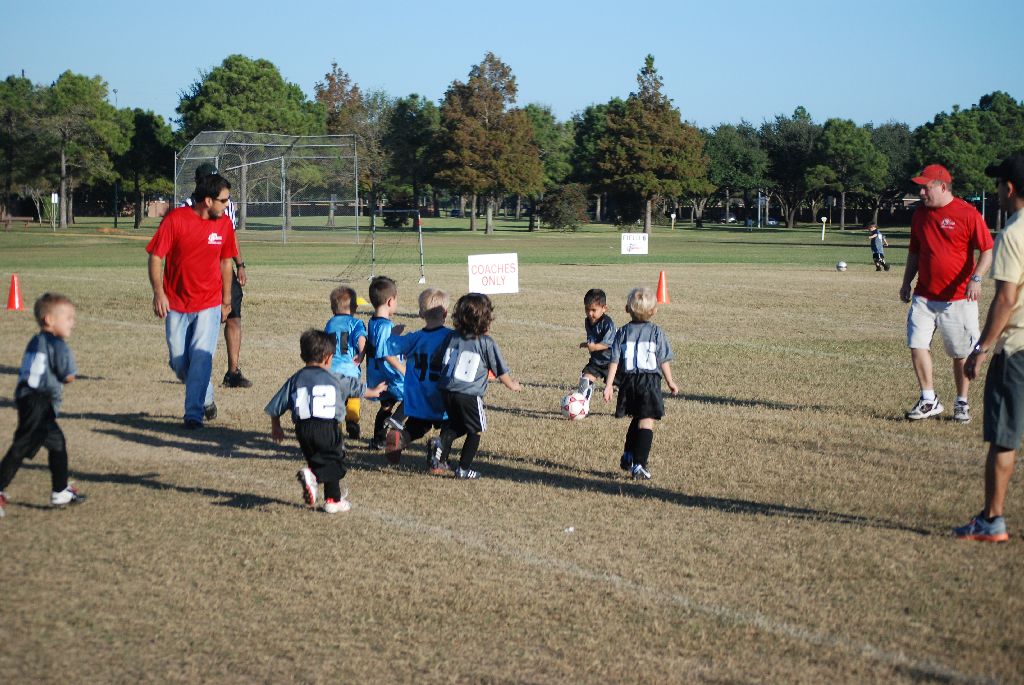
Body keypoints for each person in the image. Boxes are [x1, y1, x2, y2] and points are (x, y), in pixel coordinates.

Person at [954, 154, 1024, 542]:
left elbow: (1006, 299)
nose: (997, 191)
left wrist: (981, 348)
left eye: (998, 184)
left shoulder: (1012, 233)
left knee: (1004, 437)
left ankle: (992, 520)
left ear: (1009, 188)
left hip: (1016, 350)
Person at [899, 164, 994, 423]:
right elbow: (915, 252)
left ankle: (961, 403)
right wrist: (906, 282)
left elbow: (987, 250)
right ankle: (929, 399)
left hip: (958, 299)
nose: (921, 193)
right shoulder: (920, 214)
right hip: (924, 296)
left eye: (926, 187)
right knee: (917, 344)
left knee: (960, 353)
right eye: (920, 188)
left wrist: (976, 278)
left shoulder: (967, 213)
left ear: (942, 187)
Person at [147, 173, 238, 428]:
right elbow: (156, 257)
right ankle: (205, 394)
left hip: (209, 303)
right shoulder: (176, 220)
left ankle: (193, 415)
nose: (227, 205)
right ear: (208, 201)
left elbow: (226, 262)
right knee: (179, 362)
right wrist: (158, 293)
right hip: (176, 303)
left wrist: (226, 301)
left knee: (201, 358)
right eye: (224, 200)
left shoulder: (224, 225)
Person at [266, 329, 386, 514]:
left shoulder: (296, 379)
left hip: (302, 429)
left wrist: (276, 427)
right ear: (328, 358)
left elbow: (276, 405)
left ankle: (332, 500)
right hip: (327, 427)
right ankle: (313, 477)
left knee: (323, 461)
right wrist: (375, 391)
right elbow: (354, 387)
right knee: (336, 462)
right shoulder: (334, 378)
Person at [0, 293, 85, 516]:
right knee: (21, 446)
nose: (73, 323)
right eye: (68, 318)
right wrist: (68, 374)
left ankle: (60, 490)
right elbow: (68, 376)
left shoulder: (36, 340)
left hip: (28, 398)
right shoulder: (57, 344)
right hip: (38, 400)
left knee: (57, 443)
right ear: (49, 320)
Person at [432, 293, 522, 479]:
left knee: (458, 424)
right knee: (476, 429)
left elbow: (437, 361)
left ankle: (440, 448)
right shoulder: (486, 342)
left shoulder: (451, 336)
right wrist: (512, 385)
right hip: (469, 394)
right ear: (485, 319)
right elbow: (500, 370)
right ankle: (463, 469)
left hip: (446, 390)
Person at [183, 163, 251, 389]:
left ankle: (233, 372)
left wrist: (240, 264)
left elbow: (230, 235)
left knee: (234, 317)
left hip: (224, 269)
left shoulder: (225, 204)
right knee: (199, 322)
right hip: (200, 272)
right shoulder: (187, 207)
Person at [602, 287, 678, 480]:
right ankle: (640, 465)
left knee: (637, 417)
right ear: (654, 311)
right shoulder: (656, 332)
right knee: (646, 421)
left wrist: (609, 385)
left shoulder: (622, 332)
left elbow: (614, 361)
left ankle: (628, 454)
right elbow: (663, 360)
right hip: (648, 382)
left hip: (628, 382)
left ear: (627, 309)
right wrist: (670, 381)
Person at [383, 288, 453, 471]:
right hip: (443, 395)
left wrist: (393, 335)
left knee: (418, 426)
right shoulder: (451, 337)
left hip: (419, 395)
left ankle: (401, 438)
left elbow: (389, 347)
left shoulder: (415, 338)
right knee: (450, 426)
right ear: (445, 313)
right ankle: (438, 458)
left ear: (421, 314)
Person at [365, 276, 406, 454]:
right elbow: (385, 352)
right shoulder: (384, 326)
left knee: (386, 406)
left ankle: (378, 440)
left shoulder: (373, 321)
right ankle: (396, 421)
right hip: (390, 374)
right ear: (390, 301)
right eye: (396, 300)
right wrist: (402, 368)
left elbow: (379, 343)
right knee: (413, 395)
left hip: (378, 374)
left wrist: (394, 334)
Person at [325, 286, 367, 440]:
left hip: (331, 370)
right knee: (353, 395)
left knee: (335, 400)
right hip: (350, 369)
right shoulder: (356, 323)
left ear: (333, 309)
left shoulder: (330, 324)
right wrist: (361, 354)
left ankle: (336, 426)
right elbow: (361, 339)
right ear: (355, 307)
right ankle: (352, 420)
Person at [577, 288, 616, 402]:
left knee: (626, 386)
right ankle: (582, 406)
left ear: (604, 308)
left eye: (594, 310)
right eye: (587, 309)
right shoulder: (588, 321)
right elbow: (593, 339)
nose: (590, 313)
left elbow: (608, 343)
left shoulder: (607, 323)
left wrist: (594, 347)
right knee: (585, 381)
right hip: (596, 361)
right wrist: (588, 344)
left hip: (611, 362)